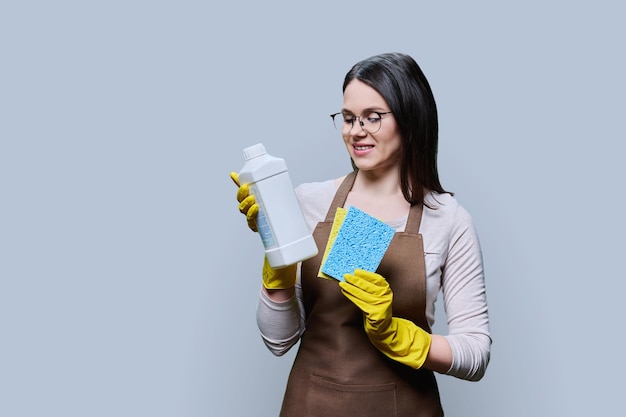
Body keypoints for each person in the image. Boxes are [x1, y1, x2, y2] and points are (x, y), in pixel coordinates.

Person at [230, 52, 491, 417]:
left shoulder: (447, 219)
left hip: (407, 407)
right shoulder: (310, 201)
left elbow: (476, 355)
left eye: (373, 117)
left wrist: (398, 336)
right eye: (349, 118)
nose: (355, 131)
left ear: (411, 119)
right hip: (312, 404)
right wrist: (278, 264)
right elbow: (278, 341)